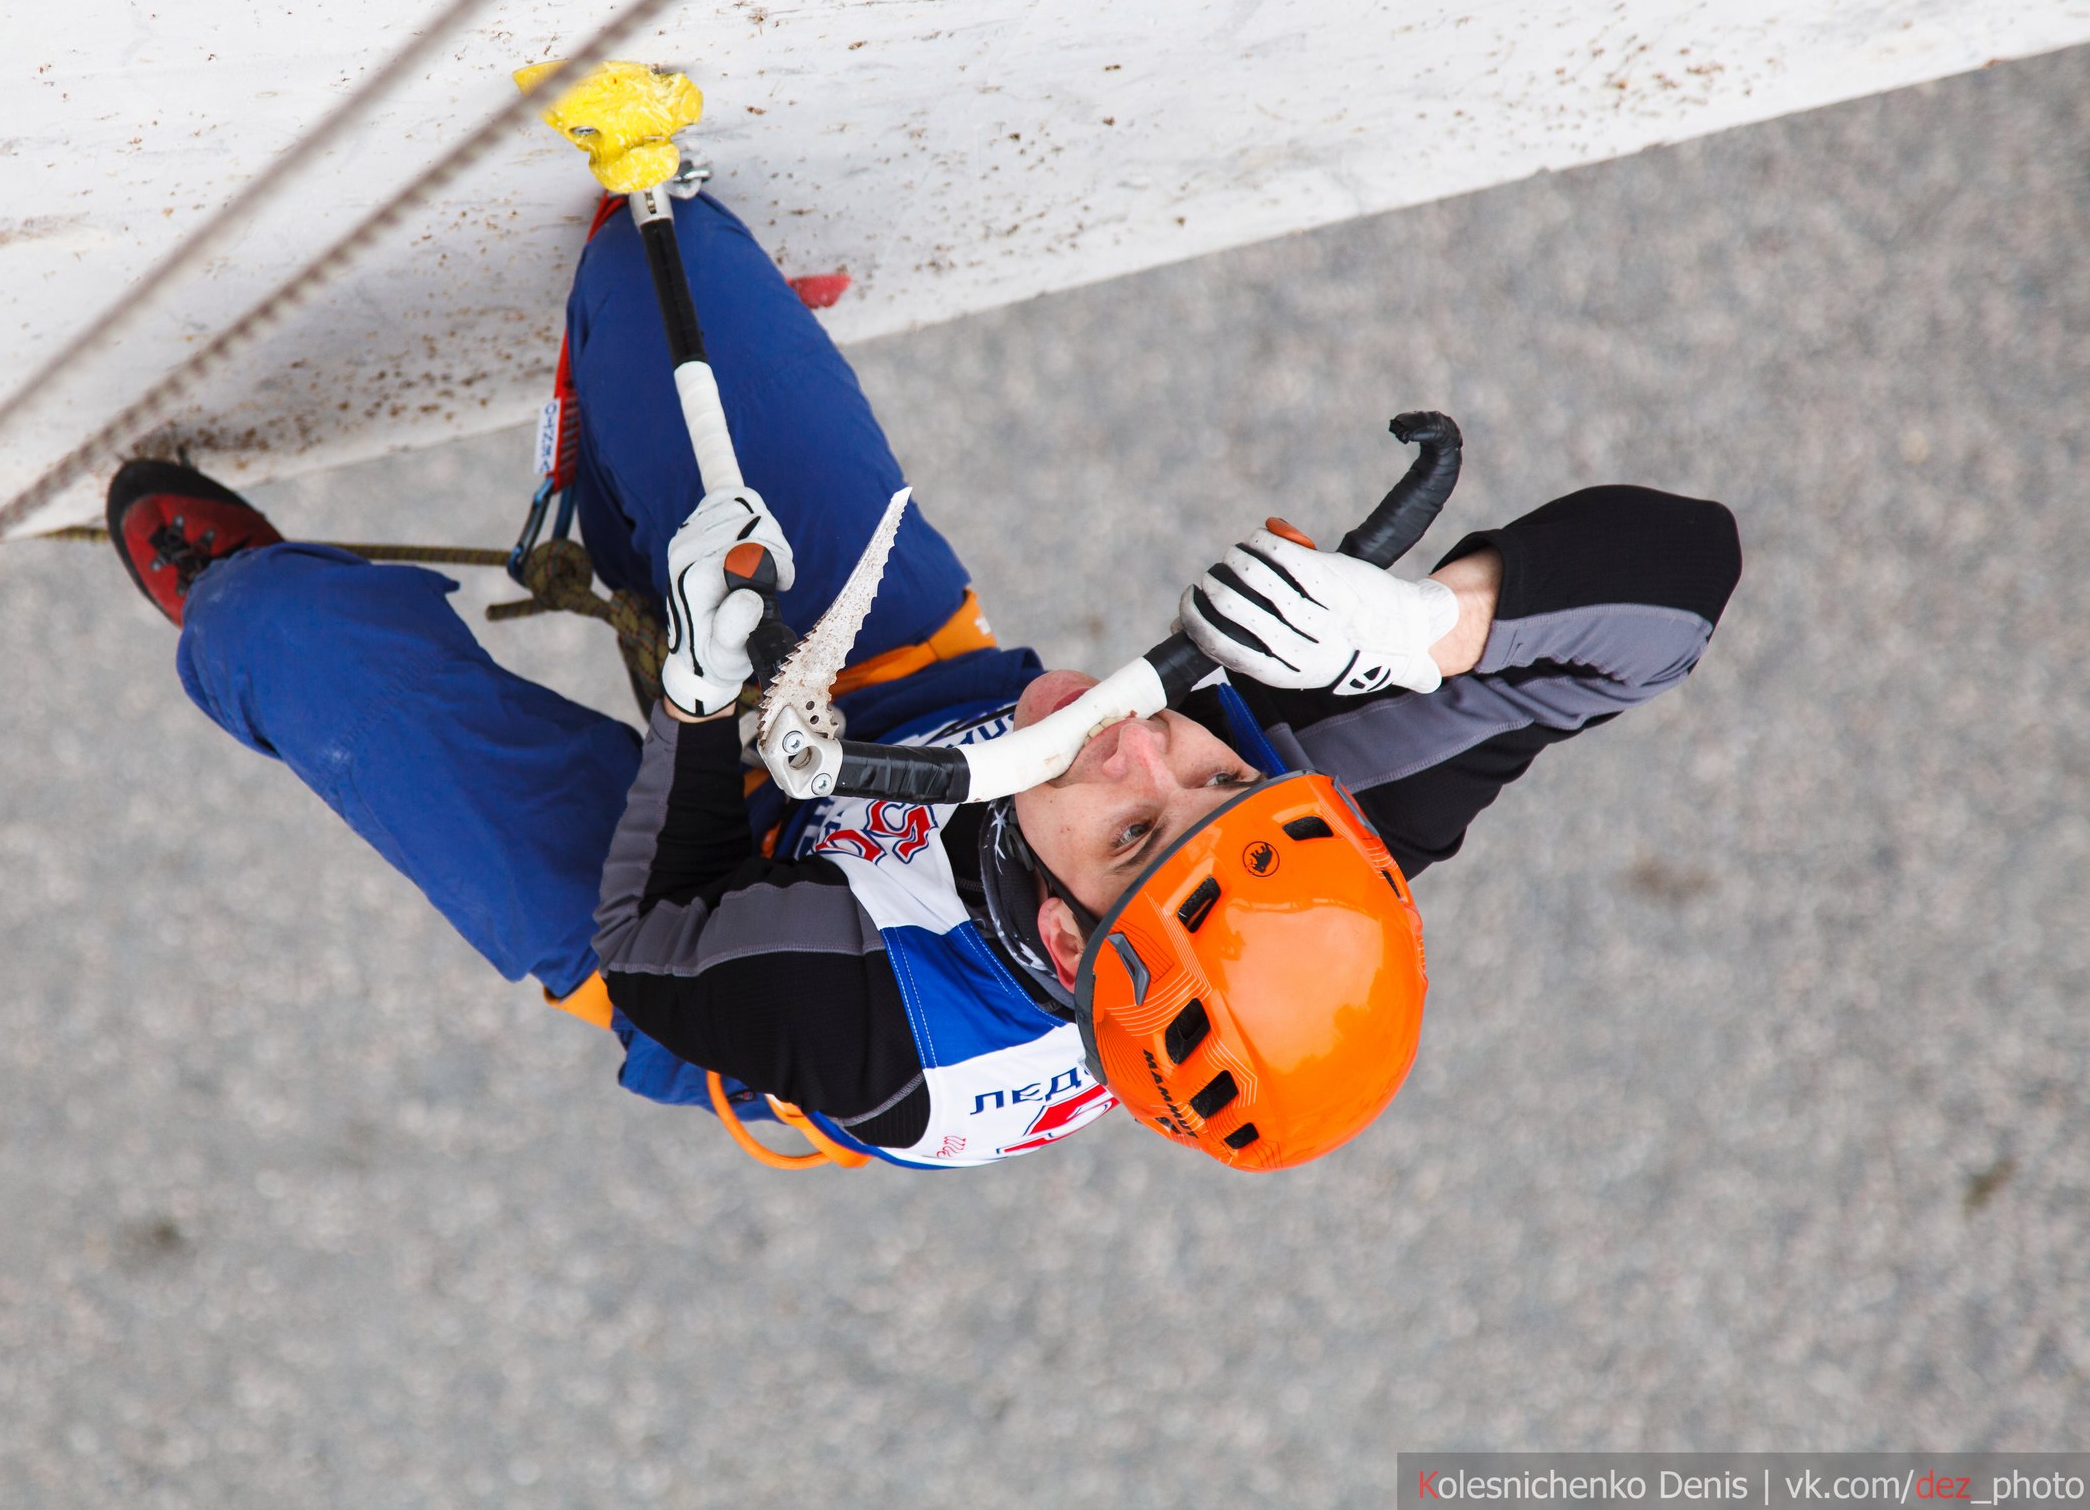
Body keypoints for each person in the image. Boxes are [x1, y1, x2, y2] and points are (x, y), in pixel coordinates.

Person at [106, 191, 1741, 1171]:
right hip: (900, 717)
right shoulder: (1313, 828)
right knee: (645, 262)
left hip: (712, 916)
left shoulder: (871, 1037)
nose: (1151, 743)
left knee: (286, 646)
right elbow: (1680, 585)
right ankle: (646, 480)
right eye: (1218, 779)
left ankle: (254, 602)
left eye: (1124, 831)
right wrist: (1425, 630)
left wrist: (694, 699)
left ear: (1051, 937)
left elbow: (655, 930)